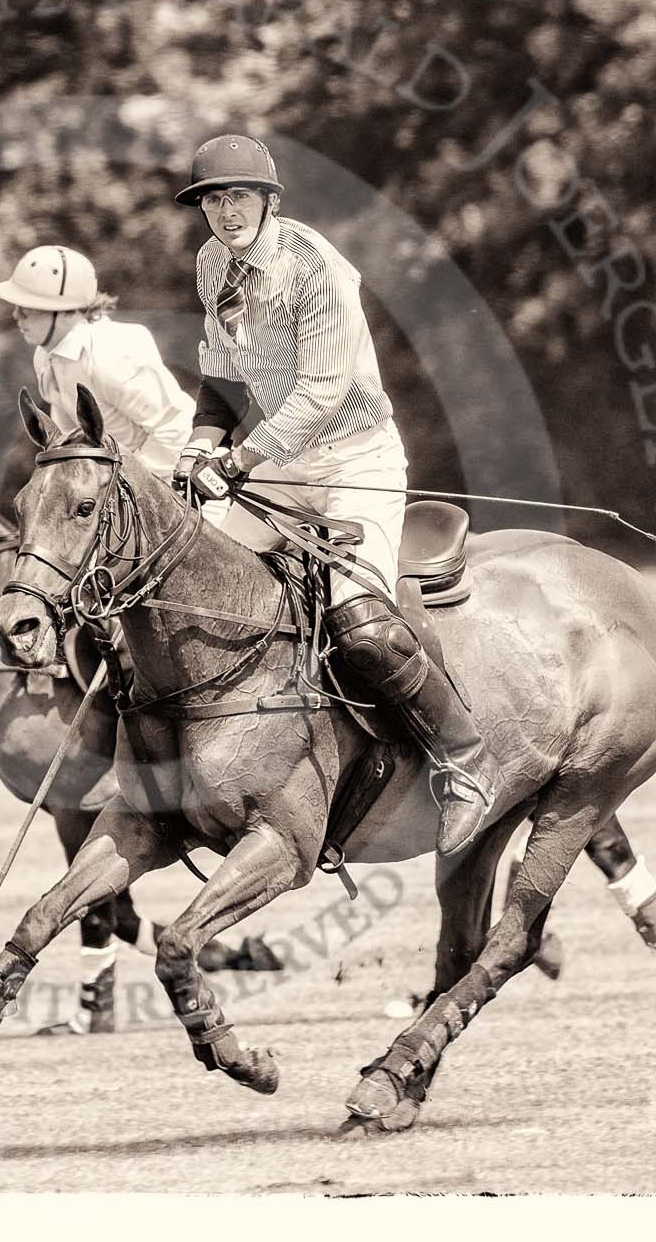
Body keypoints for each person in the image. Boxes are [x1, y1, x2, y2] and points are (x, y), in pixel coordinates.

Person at [169, 134, 501, 855]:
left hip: (355, 462)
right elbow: (224, 380)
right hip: (278, 466)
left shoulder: (312, 265)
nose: (225, 212)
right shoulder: (211, 266)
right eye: (212, 200)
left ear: (269, 200)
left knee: (361, 624)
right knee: (201, 583)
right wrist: (199, 444)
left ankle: (465, 759)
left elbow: (323, 390)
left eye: (238, 196)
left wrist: (240, 458)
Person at [0, 245, 195, 481]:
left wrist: (120, 484)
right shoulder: (45, 356)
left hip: (183, 481)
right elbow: (69, 438)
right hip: (123, 490)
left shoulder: (109, 355)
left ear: (67, 311)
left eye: (27, 307)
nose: (17, 315)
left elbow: (177, 430)